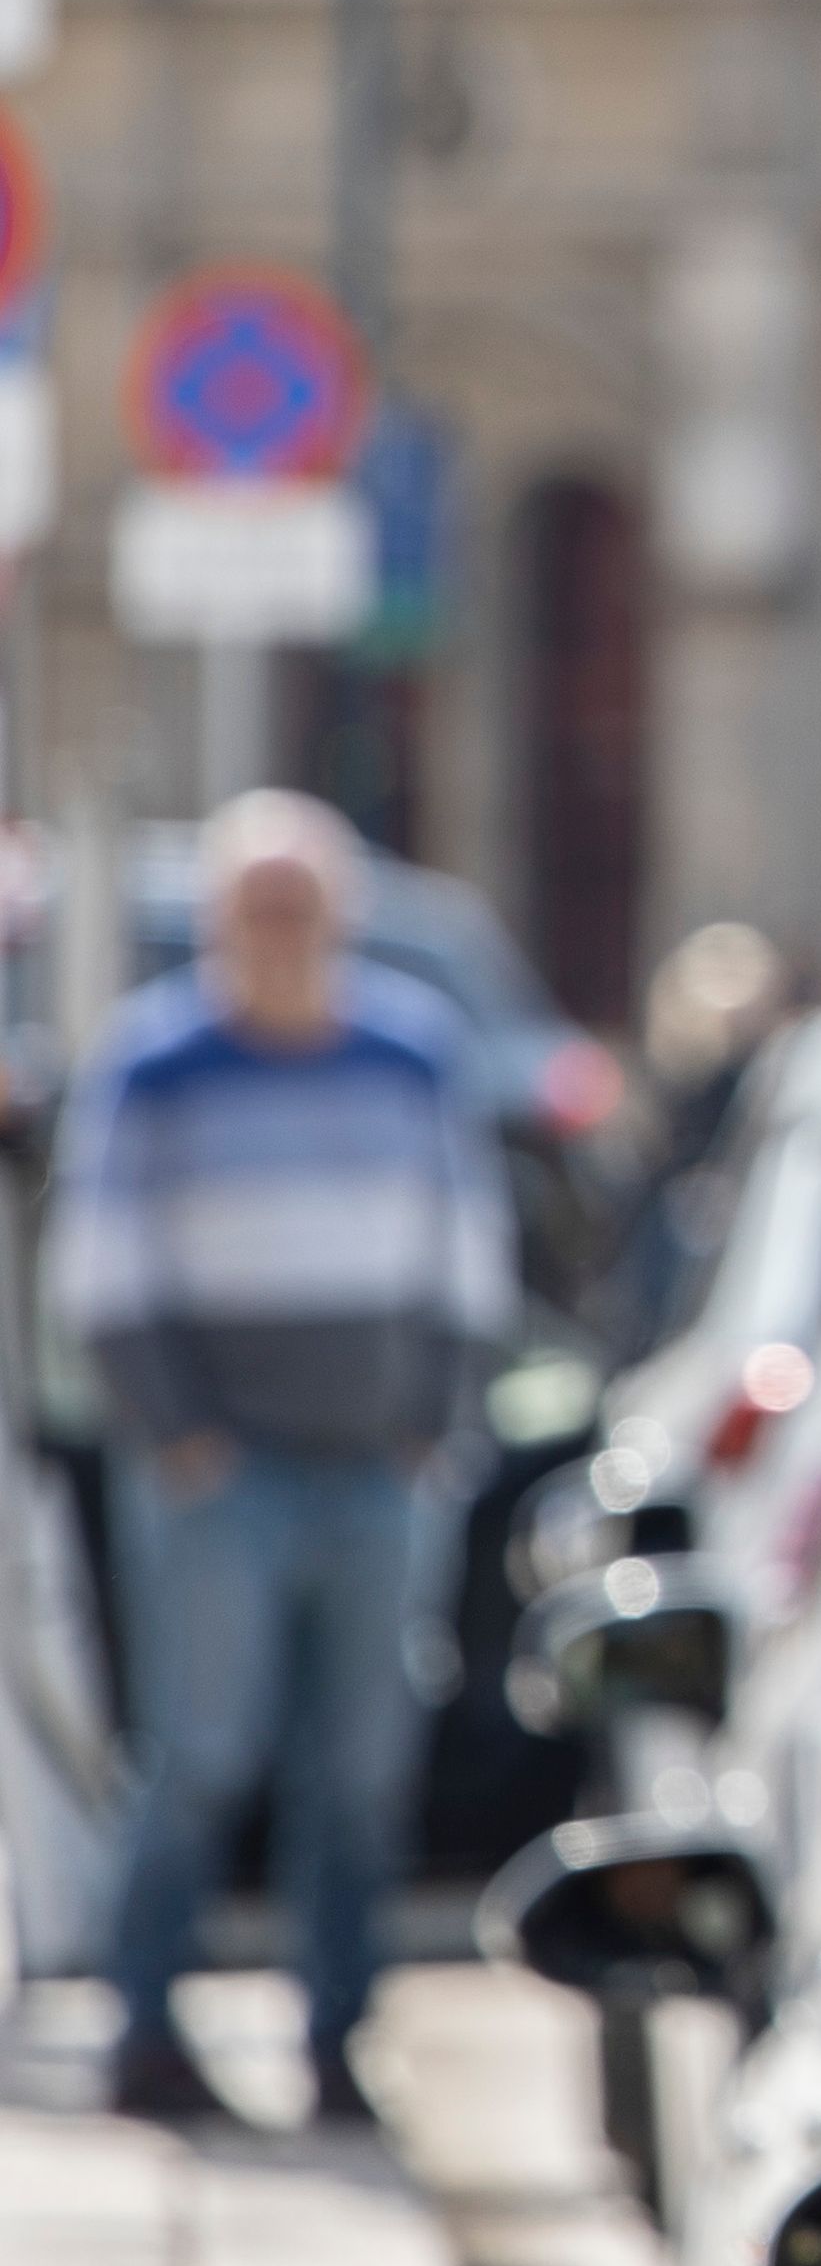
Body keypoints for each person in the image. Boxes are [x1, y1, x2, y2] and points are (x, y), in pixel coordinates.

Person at [49, 791, 519, 2126]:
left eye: (298, 910)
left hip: (377, 1468)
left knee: (360, 1770)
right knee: (201, 1755)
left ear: (340, 920)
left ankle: (338, 2033)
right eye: (254, 911)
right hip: (223, 1476)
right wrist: (181, 1432)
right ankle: (147, 2026)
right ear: (215, 925)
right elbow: (102, 1275)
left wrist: (432, 1419)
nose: (277, 936)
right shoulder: (154, 1063)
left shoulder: (410, 1055)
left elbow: (469, 1259)